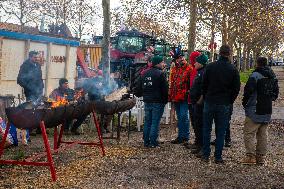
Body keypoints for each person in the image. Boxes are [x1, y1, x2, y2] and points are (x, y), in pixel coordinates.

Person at [201, 45, 240, 163]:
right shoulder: (233, 69)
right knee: (221, 130)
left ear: (219, 52)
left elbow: (204, 84)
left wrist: (206, 95)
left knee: (206, 129)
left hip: (210, 100)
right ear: (229, 54)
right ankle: (218, 156)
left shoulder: (210, 67)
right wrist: (230, 100)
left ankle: (206, 154)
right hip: (224, 102)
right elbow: (236, 88)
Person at [242, 57, 279, 165]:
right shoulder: (273, 76)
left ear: (257, 64)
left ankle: (250, 157)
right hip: (267, 108)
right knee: (263, 134)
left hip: (255, 108)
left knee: (249, 133)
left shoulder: (255, 75)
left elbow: (248, 91)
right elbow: (275, 94)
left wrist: (245, 103)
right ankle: (261, 158)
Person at [137, 55, 168, 148]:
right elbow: (164, 89)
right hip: (158, 101)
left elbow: (138, 88)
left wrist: (143, 95)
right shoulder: (160, 73)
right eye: (162, 62)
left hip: (147, 101)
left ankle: (146, 141)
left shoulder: (144, 73)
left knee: (148, 122)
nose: (164, 64)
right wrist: (165, 100)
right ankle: (153, 142)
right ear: (158, 63)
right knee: (155, 122)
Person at [169, 51, 193, 145]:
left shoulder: (189, 68)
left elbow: (191, 82)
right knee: (179, 117)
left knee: (184, 116)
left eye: (182, 57)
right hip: (176, 96)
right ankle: (180, 136)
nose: (182, 58)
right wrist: (171, 95)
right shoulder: (174, 69)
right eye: (179, 57)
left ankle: (185, 136)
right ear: (176, 60)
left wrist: (188, 92)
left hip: (184, 97)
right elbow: (172, 82)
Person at [188, 53, 208, 154]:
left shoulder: (203, 73)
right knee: (196, 124)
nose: (194, 63)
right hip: (194, 102)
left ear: (201, 63)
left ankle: (202, 146)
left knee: (200, 124)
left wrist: (199, 101)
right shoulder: (199, 72)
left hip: (199, 104)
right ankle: (198, 144)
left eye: (196, 61)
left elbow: (204, 89)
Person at [186, 51, 201, 149]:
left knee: (197, 122)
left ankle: (198, 142)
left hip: (195, 100)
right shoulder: (193, 70)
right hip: (191, 99)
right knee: (194, 122)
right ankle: (197, 140)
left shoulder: (197, 71)